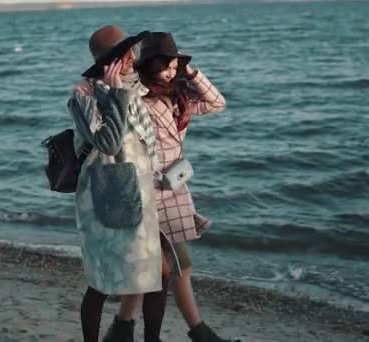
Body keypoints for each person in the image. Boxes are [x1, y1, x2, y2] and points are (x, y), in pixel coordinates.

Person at [136, 32, 238, 342]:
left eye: (175, 64)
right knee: (178, 267)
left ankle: (122, 326)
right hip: (149, 191)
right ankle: (200, 333)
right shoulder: (139, 98)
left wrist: (191, 73)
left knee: (169, 269)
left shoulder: (181, 96)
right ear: (150, 65)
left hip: (175, 186)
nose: (170, 71)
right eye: (165, 65)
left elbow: (217, 102)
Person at [69, 24, 166, 342]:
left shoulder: (134, 89)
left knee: (158, 275)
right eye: (125, 53)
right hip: (106, 193)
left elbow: (146, 143)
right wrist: (116, 95)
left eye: (132, 51)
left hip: (139, 191)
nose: (133, 57)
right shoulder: (84, 96)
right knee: (101, 278)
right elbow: (109, 143)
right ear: (108, 61)